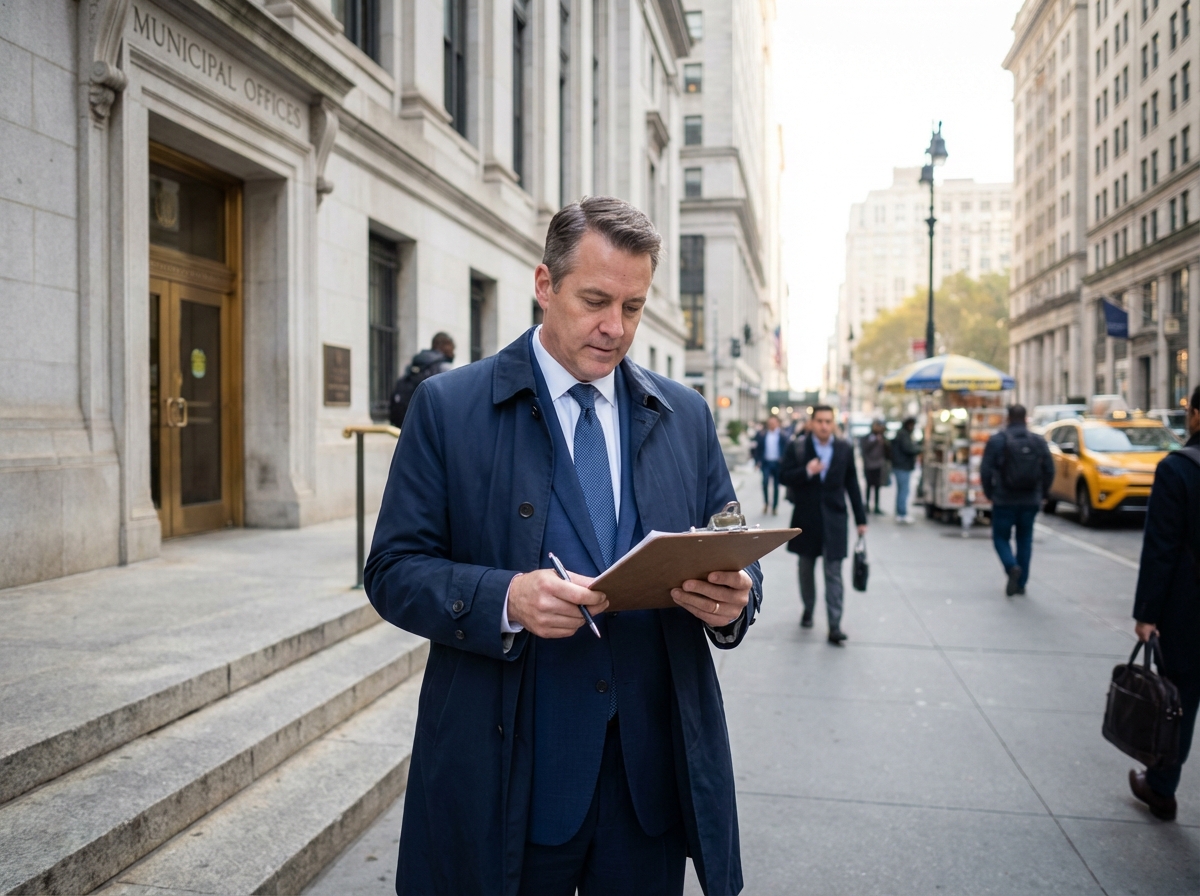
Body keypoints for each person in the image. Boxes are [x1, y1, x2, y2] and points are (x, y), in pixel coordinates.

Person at [365, 197, 763, 896]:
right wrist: (505, 599)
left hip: (649, 791)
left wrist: (735, 599)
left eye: (633, 308)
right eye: (596, 300)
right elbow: (393, 571)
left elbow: (730, 546)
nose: (615, 328)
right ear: (544, 286)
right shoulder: (447, 408)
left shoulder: (688, 417)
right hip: (512, 780)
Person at [1127, 384, 1200, 822]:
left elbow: (1161, 548)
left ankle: (1161, 788)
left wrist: (1147, 615)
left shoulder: (1179, 469)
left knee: (1180, 700)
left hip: (1188, 611)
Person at [778, 405, 868, 645]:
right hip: (806, 520)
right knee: (805, 569)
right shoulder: (798, 447)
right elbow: (783, 475)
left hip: (835, 520)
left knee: (834, 573)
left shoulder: (844, 448)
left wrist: (861, 519)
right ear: (811, 423)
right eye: (819, 421)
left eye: (828, 421)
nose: (824, 426)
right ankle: (808, 608)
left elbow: (852, 484)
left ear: (834, 423)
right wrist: (807, 471)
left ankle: (835, 625)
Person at [979, 404, 1054, 596]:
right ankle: (1021, 583)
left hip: (1004, 499)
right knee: (1025, 539)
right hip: (1030, 500)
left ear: (1008, 418)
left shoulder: (998, 440)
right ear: (1026, 418)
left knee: (1000, 537)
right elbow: (1049, 470)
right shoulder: (1038, 441)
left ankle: (1011, 566)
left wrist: (990, 493)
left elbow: (985, 470)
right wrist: (1042, 493)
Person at [388, 332, 455, 427]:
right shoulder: (444, 366)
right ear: (445, 346)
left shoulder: (416, 362)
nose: (453, 353)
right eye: (452, 348)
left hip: (406, 423)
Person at [752, 414, 785, 515]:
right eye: (769, 423)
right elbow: (757, 449)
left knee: (776, 486)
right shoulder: (762, 434)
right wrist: (757, 462)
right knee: (765, 483)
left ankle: (774, 507)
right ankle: (766, 503)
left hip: (777, 463)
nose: (771, 425)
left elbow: (785, 450)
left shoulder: (782, 435)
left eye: (773, 423)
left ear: (778, 423)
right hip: (766, 463)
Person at [890, 417, 921, 523]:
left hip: (901, 466)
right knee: (904, 490)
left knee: (902, 490)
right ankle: (901, 513)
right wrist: (918, 449)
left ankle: (900, 512)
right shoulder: (903, 434)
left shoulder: (902, 434)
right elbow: (908, 449)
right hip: (902, 466)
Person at [859, 420, 890, 515]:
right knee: (869, 486)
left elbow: (888, 450)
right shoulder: (867, 438)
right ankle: (867, 505)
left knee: (877, 486)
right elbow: (864, 449)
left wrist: (883, 440)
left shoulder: (883, 438)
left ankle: (876, 506)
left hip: (878, 465)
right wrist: (876, 440)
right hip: (869, 465)